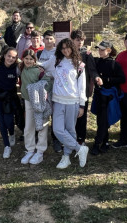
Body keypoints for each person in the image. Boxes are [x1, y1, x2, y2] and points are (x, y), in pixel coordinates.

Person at [42, 38, 89, 169]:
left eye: (67, 47)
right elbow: (42, 65)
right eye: (62, 48)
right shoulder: (56, 60)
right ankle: (80, 149)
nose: (65, 50)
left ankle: (66, 157)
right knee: (57, 129)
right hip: (57, 101)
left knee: (70, 130)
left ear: (72, 48)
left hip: (72, 102)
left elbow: (82, 87)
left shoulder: (79, 65)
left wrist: (82, 105)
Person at [90, 41, 125, 155]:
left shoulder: (115, 64)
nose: (99, 51)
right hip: (99, 94)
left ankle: (97, 143)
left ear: (109, 50)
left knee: (104, 119)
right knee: (101, 119)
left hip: (109, 96)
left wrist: (106, 80)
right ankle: (104, 141)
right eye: (99, 49)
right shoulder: (97, 61)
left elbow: (121, 79)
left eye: (102, 49)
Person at [19, 49, 49, 165]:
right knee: (28, 127)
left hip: (39, 101)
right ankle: (30, 149)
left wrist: (37, 89)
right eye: (26, 58)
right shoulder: (21, 68)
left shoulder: (38, 71)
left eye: (31, 59)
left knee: (41, 125)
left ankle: (40, 151)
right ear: (23, 59)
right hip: (27, 101)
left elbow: (47, 82)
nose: (28, 61)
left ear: (34, 60)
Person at [70, 29, 99, 145]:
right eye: (77, 40)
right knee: (70, 115)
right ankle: (71, 137)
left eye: (82, 40)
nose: (80, 43)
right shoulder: (67, 52)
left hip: (83, 89)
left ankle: (81, 138)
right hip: (69, 90)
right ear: (72, 40)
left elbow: (92, 69)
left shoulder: (87, 54)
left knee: (82, 115)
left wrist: (96, 77)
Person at [0, 47, 21, 159]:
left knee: (9, 121)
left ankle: (12, 133)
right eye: (9, 56)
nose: (10, 58)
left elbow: (29, 63)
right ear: (4, 55)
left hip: (10, 98)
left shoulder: (17, 68)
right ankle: (7, 146)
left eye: (13, 57)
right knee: (2, 122)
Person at [36, 30, 62, 153]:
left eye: (51, 39)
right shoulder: (39, 53)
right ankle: (42, 140)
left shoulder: (58, 53)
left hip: (56, 87)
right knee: (43, 113)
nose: (48, 41)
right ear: (43, 40)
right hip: (43, 87)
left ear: (54, 40)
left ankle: (56, 140)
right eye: (46, 39)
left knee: (55, 115)